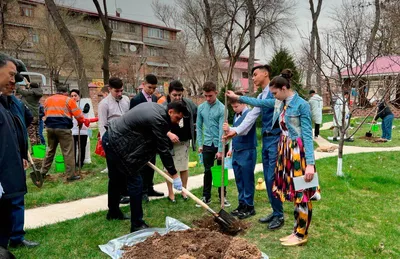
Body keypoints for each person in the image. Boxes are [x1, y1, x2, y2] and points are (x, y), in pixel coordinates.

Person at [225, 69, 320, 247]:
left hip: (299, 153)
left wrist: (310, 164)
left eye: (275, 93)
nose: (274, 97)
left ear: (284, 88)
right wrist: (239, 98)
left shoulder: (301, 105)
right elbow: (260, 103)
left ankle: (301, 234)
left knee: (302, 194)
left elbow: (307, 135)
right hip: (286, 150)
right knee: (293, 193)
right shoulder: (281, 103)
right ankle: (296, 230)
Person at [102, 101, 187, 232]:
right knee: (135, 182)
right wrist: (175, 175)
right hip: (117, 143)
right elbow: (163, 150)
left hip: (111, 137)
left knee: (116, 179)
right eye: (177, 118)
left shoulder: (158, 110)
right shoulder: (159, 119)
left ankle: (113, 212)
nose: (177, 122)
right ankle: (136, 224)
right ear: (170, 112)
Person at [223, 65, 283, 230]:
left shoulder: (274, 93)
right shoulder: (262, 94)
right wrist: (235, 132)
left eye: (255, 75)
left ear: (266, 74)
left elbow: (261, 104)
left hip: (276, 139)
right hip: (266, 140)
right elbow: (251, 118)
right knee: (268, 177)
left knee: (271, 178)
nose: (253, 78)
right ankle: (275, 211)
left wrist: (239, 97)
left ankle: (279, 215)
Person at [0, 53, 27, 249]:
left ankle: (14, 237)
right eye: (11, 75)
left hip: (13, 166)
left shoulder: (11, 103)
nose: (14, 81)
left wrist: (23, 154)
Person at [161, 80, 197, 202]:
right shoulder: (164, 106)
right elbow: (159, 125)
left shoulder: (188, 104)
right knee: (169, 168)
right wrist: (168, 134)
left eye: (179, 95)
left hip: (184, 141)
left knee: (184, 167)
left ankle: (184, 190)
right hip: (169, 143)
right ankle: (171, 193)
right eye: (174, 95)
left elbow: (197, 114)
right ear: (169, 93)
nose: (177, 97)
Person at [130, 74, 164, 201]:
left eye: (154, 88)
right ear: (143, 85)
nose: (151, 90)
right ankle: (142, 191)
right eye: (149, 87)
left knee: (152, 163)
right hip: (140, 137)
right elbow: (132, 119)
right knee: (143, 165)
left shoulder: (155, 99)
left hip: (152, 137)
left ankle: (150, 187)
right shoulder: (136, 100)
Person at [196, 81, 230, 207]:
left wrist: (221, 149)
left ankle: (223, 196)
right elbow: (198, 127)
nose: (208, 98)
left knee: (221, 170)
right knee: (207, 170)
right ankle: (206, 196)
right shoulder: (201, 108)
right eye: (205, 96)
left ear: (216, 92)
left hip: (220, 142)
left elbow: (222, 130)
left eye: (210, 95)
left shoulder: (222, 108)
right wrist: (200, 144)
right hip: (207, 143)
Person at [223, 92, 257, 219]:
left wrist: (229, 128)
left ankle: (249, 206)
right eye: (232, 107)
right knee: (239, 179)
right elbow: (234, 134)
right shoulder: (236, 116)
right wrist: (231, 148)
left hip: (247, 150)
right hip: (237, 151)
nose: (234, 109)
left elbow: (242, 130)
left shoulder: (250, 115)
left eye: (236, 106)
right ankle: (241, 203)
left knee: (247, 179)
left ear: (243, 103)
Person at [41, 85, 85, 181]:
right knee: (68, 151)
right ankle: (70, 175)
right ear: (66, 92)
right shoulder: (68, 100)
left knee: (50, 150)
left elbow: (45, 113)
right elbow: (79, 115)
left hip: (50, 128)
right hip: (63, 129)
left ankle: (42, 172)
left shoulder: (47, 100)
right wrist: (80, 122)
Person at [97, 77, 130, 203]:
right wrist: (107, 142)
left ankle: (126, 191)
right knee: (115, 170)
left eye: (121, 90)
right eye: (117, 91)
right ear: (109, 89)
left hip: (126, 138)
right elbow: (102, 124)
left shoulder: (126, 100)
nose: (120, 94)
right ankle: (118, 195)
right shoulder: (104, 104)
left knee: (126, 167)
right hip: (112, 138)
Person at [16, 81, 43, 146]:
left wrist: (17, 84)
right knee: (37, 133)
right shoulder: (39, 92)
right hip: (36, 115)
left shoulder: (30, 93)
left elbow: (21, 91)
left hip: (30, 115)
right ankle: (38, 150)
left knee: (31, 133)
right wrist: (28, 85)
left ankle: (34, 150)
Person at [70, 89, 90, 169]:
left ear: (79, 96)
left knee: (82, 147)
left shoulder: (84, 103)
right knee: (73, 148)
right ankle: (73, 163)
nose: (73, 97)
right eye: (71, 96)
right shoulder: (70, 105)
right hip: (73, 130)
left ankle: (80, 163)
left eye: (75, 95)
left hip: (82, 130)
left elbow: (85, 111)